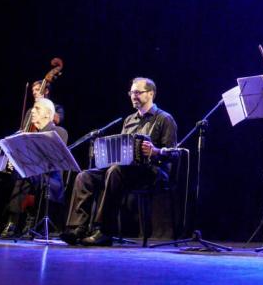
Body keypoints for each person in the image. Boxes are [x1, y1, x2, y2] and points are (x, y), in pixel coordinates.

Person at [62, 77, 177, 246]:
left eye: (138, 92)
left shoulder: (165, 119)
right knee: (84, 176)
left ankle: (104, 230)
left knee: (115, 171)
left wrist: (155, 151)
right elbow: (121, 151)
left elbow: (174, 154)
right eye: (131, 92)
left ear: (151, 93)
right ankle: (78, 228)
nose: (133, 96)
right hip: (124, 170)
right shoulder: (129, 120)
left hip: (152, 172)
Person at [0, 98, 68, 238]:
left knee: (23, 173)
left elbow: (51, 159)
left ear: (47, 114)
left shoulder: (58, 131)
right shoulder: (24, 133)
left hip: (48, 178)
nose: (32, 111)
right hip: (28, 173)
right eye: (33, 108)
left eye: (37, 108)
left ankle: (12, 223)